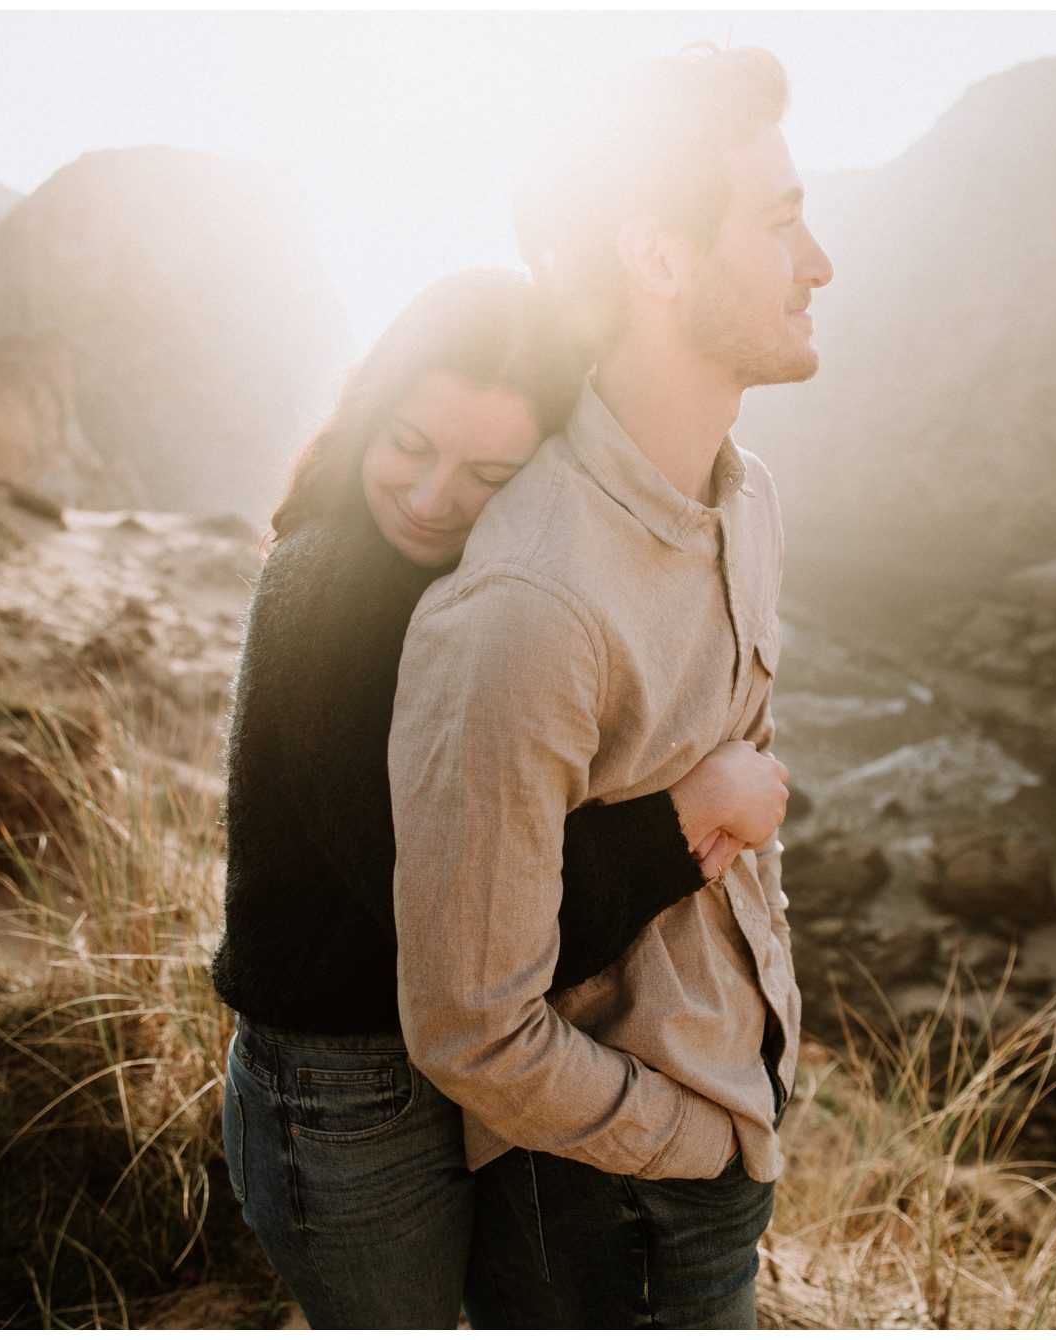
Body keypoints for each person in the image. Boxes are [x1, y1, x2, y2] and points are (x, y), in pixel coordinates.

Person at [210, 268, 792, 1328]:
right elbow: (456, 926)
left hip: (433, 1072)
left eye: (489, 472)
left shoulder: (456, 578)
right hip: (336, 1095)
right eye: (408, 445)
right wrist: (681, 819)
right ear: (366, 414)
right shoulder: (331, 591)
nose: (432, 497)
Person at [389, 45, 832, 1328]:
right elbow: (469, 1027)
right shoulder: (526, 605)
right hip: (606, 1208)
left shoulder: (745, 496)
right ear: (657, 257)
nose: (817, 264)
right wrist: (693, 1137)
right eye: (781, 223)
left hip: (723, 1140)